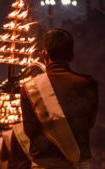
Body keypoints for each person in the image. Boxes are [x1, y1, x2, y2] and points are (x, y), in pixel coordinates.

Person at [20, 28, 99, 169]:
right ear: (71, 56)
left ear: (44, 55)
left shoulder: (29, 88)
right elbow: (90, 123)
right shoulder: (88, 84)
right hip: (78, 164)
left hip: (44, 164)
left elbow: (29, 130)